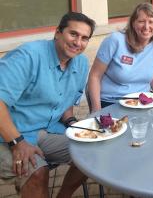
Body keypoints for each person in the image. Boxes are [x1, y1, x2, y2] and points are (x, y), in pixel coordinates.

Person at [0, 12, 96, 198]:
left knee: (92, 153)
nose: (78, 42)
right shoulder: (27, 56)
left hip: (47, 129)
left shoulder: (81, 63)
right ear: (58, 33)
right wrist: (17, 143)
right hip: (8, 135)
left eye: (84, 38)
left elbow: (66, 102)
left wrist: (72, 122)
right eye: (73, 34)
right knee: (37, 172)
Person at [87, 3, 153, 111]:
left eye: (151, 22)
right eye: (141, 21)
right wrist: (97, 111)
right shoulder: (115, 40)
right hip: (112, 102)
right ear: (133, 23)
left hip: (142, 103)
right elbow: (95, 76)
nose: (146, 27)